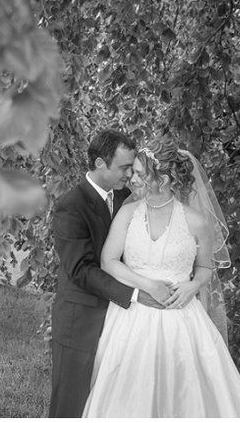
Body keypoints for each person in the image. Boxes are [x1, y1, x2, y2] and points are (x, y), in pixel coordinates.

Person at [82, 140, 240, 417]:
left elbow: (205, 267)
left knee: (185, 390)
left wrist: (193, 285)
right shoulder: (127, 213)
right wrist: (148, 285)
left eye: (140, 174)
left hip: (181, 317)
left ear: (163, 180)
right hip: (132, 316)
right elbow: (108, 261)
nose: (131, 178)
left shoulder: (196, 221)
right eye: (133, 171)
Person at [49, 129, 165, 418]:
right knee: (72, 404)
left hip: (124, 324)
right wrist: (136, 294)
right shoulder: (71, 205)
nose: (130, 175)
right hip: (82, 321)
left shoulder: (128, 197)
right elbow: (81, 270)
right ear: (101, 163)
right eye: (124, 167)